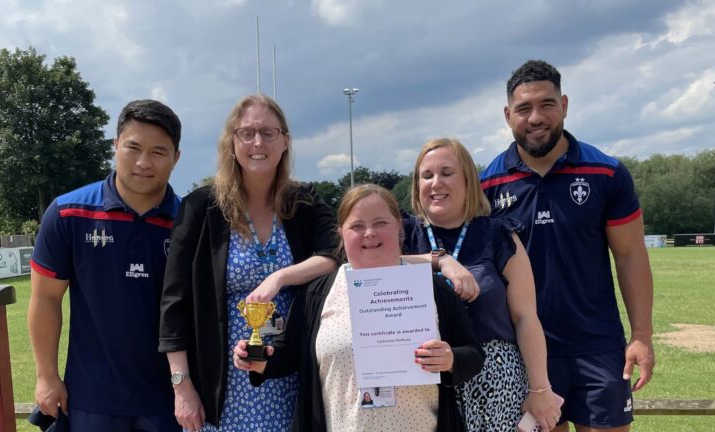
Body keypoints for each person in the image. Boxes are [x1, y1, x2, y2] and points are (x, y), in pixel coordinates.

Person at [480, 60, 655, 432]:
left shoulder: (606, 173)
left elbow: (630, 255)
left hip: (598, 346)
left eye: (546, 104)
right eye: (524, 108)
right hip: (525, 351)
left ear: (565, 105)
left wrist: (641, 336)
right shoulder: (487, 186)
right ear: (508, 115)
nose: (536, 117)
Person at [233, 184, 486, 432]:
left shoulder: (429, 287)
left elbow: (473, 355)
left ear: (399, 226)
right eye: (357, 226)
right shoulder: (316, 294)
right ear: (341, 232)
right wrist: (259, 361)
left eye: (380, 223)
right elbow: (287, 357)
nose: (369, 233)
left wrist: (450, 359)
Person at [158, 94, 339, 432]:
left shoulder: (304, 201)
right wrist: (181, 386)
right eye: (247, 133)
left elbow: (332, 256)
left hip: (291, 374)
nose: (258, 142)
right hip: (221, 383)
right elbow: (174, 303)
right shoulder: (200, 208)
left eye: (269, 133)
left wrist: (280, 278)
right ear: (232, 142)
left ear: (285, 141)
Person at [29, 99, 182, 430]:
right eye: (133, 147)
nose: (143, 162)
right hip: (90, 399)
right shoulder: (68, 214)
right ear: (115, 146)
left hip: (172, 399)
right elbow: (45, 298)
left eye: (158, 152)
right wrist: (46, 376)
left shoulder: (191, 222)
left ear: (176, 158)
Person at [404, 138, 563, 431]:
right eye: (426, 176)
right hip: (421, 381)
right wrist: (441, 261)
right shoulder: (402, 234)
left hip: (494, 383)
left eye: (447, 173)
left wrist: (540, 388)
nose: (436, 183)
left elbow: (525, 317)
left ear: (468, 180)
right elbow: (370, 269)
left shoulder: (499, 236)